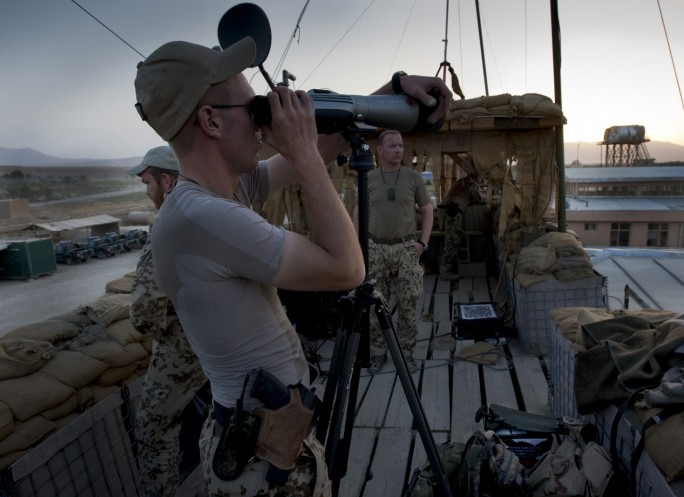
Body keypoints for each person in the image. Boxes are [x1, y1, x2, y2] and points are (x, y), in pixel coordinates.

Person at [133, 35, 452, 496]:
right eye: (253, 109)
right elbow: (347, 269)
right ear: (210, 121)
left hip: (268, 434)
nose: (263, 124)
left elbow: (318, 148)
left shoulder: (207, 197)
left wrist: (395, 88)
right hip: (261, 461)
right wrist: (302, 151)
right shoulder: (204, 217)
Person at [127, 146, 208, 497]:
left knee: (153, 428)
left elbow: (144, 311)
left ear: (167, 180)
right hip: (216, 335)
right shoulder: (208, 212)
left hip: (183, 343)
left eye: (148, 182)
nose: (147, 192)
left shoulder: (168, 224)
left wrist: (158, 322)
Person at [354, 129, 434, 375]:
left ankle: (406, 353)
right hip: (375, 247)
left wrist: (423, 243)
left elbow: (428, 210)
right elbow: (358, 211)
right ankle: (378, 353)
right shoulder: (368, 178)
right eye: (392, 146)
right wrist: (359, 246)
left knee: (409, 301)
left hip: (406, 247)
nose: (398, 150)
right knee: (376, 302)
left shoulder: (413, 178)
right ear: (379, 150)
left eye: (400, 146)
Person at [438, 165, 485, 280]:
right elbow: (478, 198)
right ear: (477, 176)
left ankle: (446, 270)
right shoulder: (470, 184)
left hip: (450, 211)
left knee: (452, 240)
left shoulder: (462, 182)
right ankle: (445, 272)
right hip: (453, 212)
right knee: (452, 241)